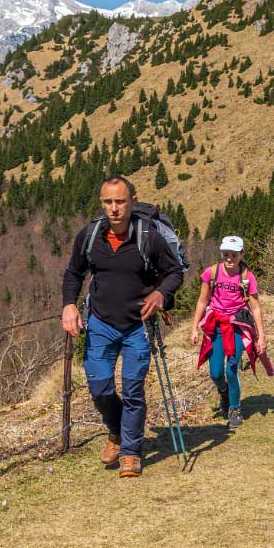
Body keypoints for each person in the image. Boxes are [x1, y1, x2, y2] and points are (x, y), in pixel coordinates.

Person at [61, 176, 183, 478]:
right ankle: (116, 431)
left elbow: (175, 272)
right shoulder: (90, 236)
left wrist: (160, 293)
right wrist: (69, 305)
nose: (114, 208)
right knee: (99, 387)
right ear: (101, 203)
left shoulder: (148, 236)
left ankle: (130, 451)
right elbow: (73, 273)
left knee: (132, 389)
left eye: (119, 201)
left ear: (132, 201)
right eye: (108, 202)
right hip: (100, 323)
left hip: (137, 327)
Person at [189, 236, 267, 429]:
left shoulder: (247, 276)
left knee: (231, 370)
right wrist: (194, 328)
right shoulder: (212, 273)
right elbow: (202, 300)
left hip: (237, 326)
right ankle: (223, 391)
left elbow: (255, 307)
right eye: (226, 254)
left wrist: (261, 336)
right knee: (216, 373)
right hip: (215, 325)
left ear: (241, 255)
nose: (229, 258)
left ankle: (235, 408)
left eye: (234, 254)